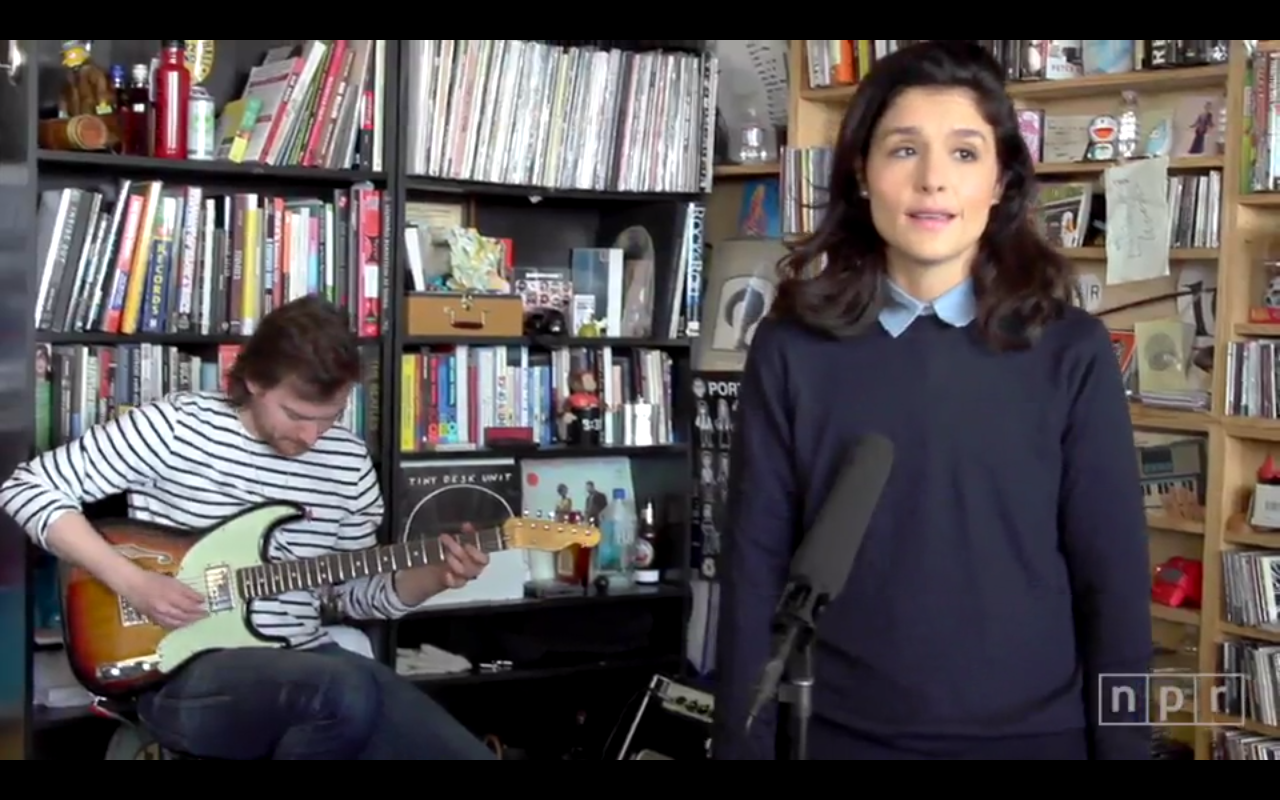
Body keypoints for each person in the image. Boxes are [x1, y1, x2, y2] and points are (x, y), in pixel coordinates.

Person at [712, 41, 1150, 761]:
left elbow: (1114, 591)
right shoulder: (791, 350)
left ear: (1003, 181)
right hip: (837, 738)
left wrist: (1126, 748)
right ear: (860, 172)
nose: (933, 181)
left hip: (1037, 741)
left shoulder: (1071, 353)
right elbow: (753, 577)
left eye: (966, 153)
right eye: (904, 149)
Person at [0, 296, 497, 760]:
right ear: (255, 380)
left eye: (330, 418)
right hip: (180, 672)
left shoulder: (347, 462)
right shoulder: (178, 427)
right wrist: (133, 582)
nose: (311, 437)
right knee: (346, 687)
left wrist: (437, 577)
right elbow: (25, 489)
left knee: (419, 726)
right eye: (296, 415)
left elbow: (355, 596)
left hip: (309, 666)